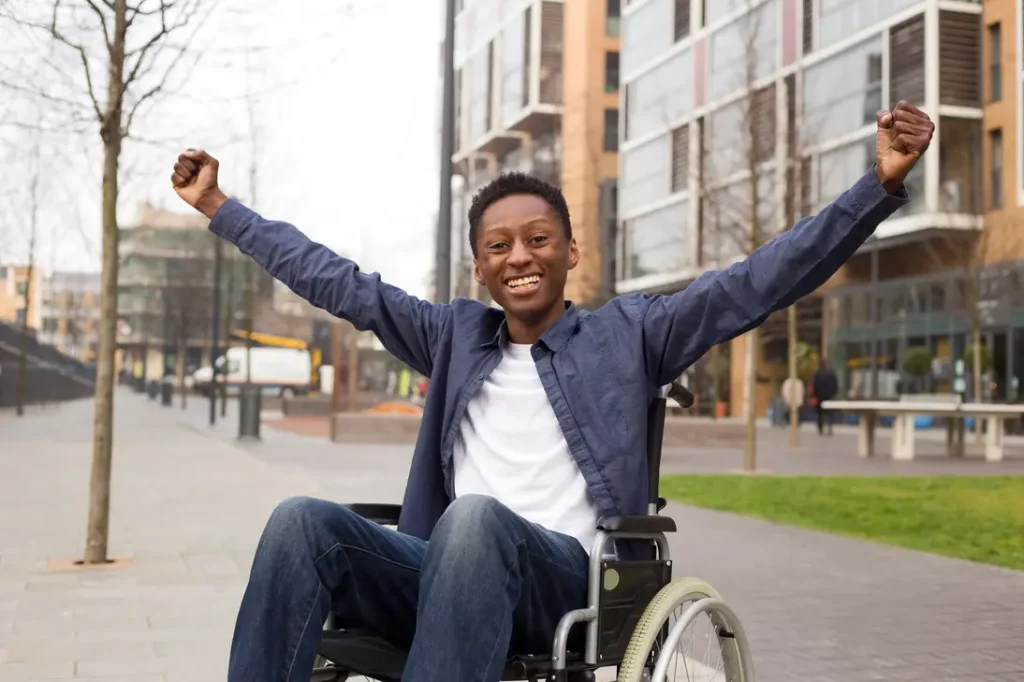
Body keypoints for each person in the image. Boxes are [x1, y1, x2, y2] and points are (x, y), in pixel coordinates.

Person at [170, 101, 933, 682]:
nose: (520, 257)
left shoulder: (630, 334)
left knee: (474, 522)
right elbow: (335, 279)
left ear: (572, 251)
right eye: (498, 247)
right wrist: (218, 207)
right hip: (445, 576)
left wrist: (878, 185)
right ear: (479, 268)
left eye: (539, 239)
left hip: (570, 585)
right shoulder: (452, 334)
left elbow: (759, 282)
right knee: (300, 519)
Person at [812, 357, 840, 435]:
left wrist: (814, 395)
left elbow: (815, 386)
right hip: (829, 396)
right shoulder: (830, 373)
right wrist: (833, 394)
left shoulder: (817, 373)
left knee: (820, 414)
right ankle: (829, 428)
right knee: (829, 414)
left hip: (820, 397)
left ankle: (821, 429)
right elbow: (835, 385)